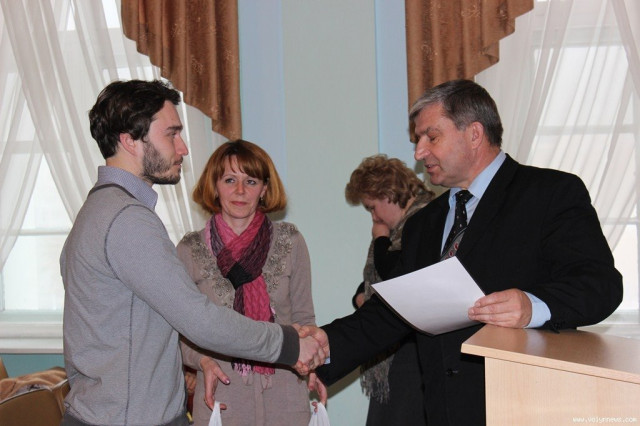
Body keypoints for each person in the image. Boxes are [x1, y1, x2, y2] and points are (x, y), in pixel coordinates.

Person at [304, 79, 623, 425]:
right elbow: (391, 313)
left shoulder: (551, 193)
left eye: (431, 137)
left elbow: (600, 285)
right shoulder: (423, 223)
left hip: (525, 406)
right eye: (418, 140)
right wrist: (325, 345)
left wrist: (533, 306)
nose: (419, 153)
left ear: (474, 134)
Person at [60, 80, 326, 426]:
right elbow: (199, 320)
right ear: (130, 141)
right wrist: (289, 344)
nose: (183, 148)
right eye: (171, 134)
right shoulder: (127, 220)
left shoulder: (99, 209)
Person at [177, 139, 326, 426]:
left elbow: (305, 320)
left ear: (265, 189)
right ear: (215, 186)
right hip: (221, 395)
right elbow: (177, 330)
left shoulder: (291, 241)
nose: (240, 190)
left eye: (251, 181)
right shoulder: (190, 249)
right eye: (230, 180)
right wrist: (202, 361)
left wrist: (316, 364)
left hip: (286, 394)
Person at [345, 155, 434, 425]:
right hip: (395, 347)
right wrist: (360, 296)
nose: (373, 216)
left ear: (386, 193)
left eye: (372, 207)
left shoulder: (427, 217)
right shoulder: (401, 229)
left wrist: (381, 239)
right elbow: (376, 280)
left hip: (414, 351)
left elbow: (397, 273)